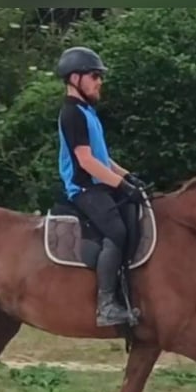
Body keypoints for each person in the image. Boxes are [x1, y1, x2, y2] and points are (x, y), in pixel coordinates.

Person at [55, 46, 147, 327]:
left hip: (99, 185)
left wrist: (129, 178)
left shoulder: (87, 112)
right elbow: (85, 161)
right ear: (75, 78)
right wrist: (121, 185)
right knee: (116, 231)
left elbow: (102, 158)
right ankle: (106, 306)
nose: (99, 82)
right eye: (94, 75)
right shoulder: (72, 114)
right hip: (84, 189)